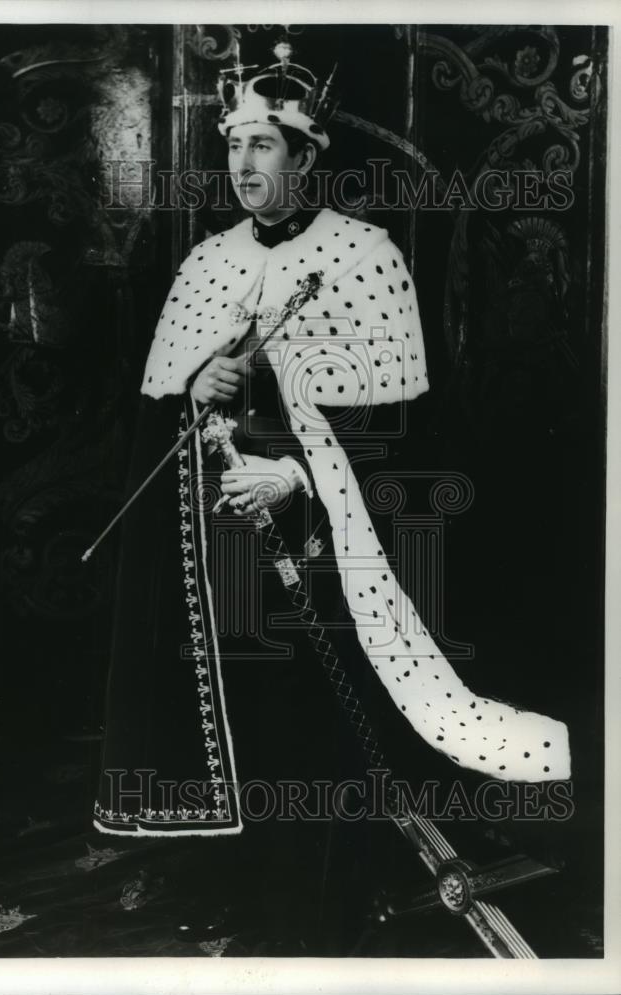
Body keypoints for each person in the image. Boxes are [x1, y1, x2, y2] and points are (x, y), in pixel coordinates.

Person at [92, 41, 570, 947]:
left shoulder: (366, 257)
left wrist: (301, 478)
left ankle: (330, 891)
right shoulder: (205, 262)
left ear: (307, 159)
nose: (243, 165)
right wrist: (196, 390)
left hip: (331, 552)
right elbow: (154, 414)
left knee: (319, 729)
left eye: (264, 147)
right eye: (234, 147)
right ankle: (234, 874)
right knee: (238, 712)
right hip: (225, 540)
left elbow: (407, 440)